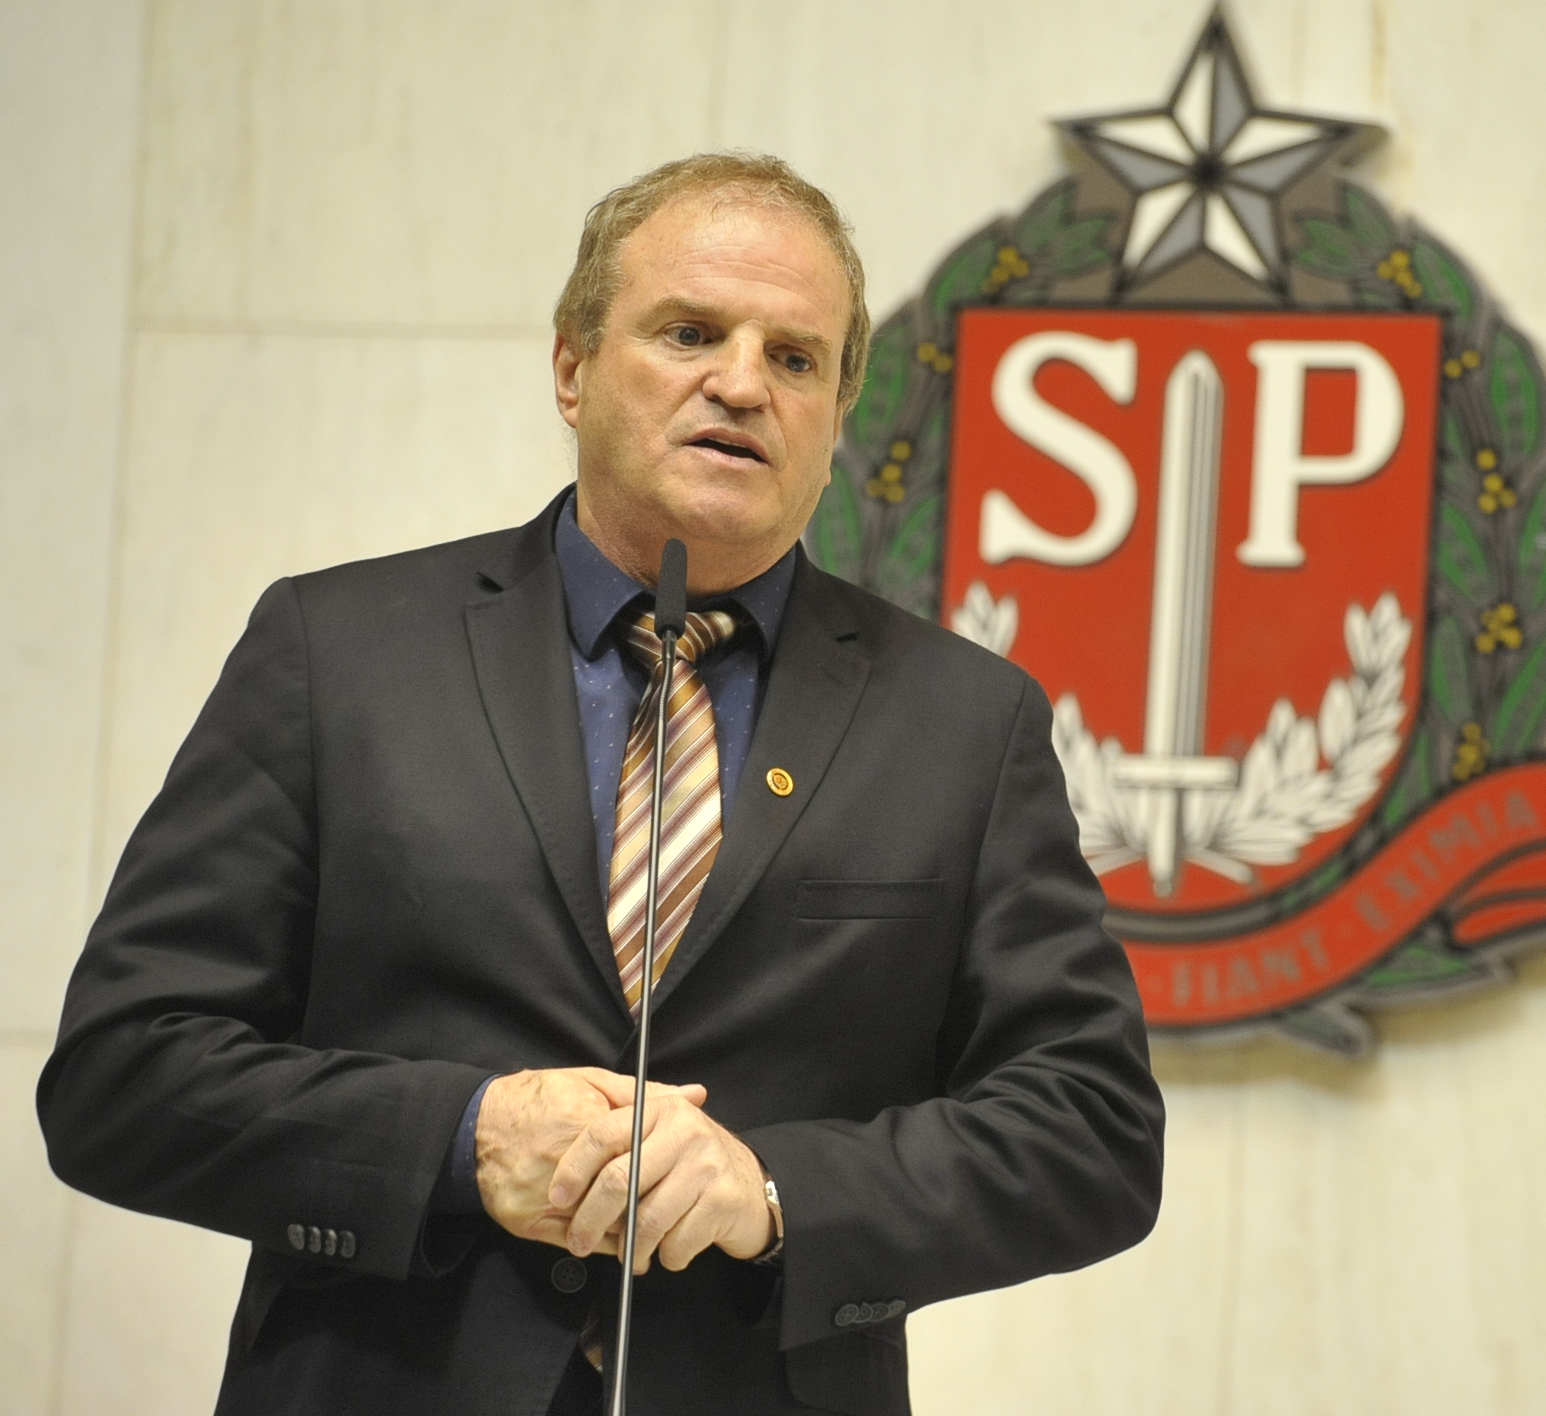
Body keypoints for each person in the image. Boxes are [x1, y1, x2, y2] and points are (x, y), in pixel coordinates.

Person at [38, 152, 1165, 1416]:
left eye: (796, 358)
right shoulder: (338, 653)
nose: (742, 382)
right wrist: (464, 1139)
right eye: (689, 333)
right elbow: (124, 1075)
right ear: (571, 367)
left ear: (838, 414)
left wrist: (775, 1193)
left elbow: (1092, 1130)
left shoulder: (963, 722)